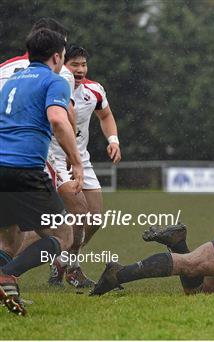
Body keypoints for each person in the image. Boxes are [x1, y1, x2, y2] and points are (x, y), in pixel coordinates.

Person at [0, 28, 83, 316]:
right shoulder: (54, 80)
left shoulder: (12, 81)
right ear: (58, 56)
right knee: (62, 236)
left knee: (9, 240)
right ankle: (7, 276)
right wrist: (77, 160)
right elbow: (58, 120)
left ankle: (5, 281)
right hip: (25, 169)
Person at [43, 45, 121, 288]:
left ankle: (62, 260)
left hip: (81, 159)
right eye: (74, 64)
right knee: (77, 213)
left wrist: (113, 140)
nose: (79, 69)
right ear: (63, 65)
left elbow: (106, 116)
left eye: (83, 64)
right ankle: (70, 267)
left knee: (95, 219)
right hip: (54, 158)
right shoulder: (51, 87)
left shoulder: (94, 91)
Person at [0, 18, 77, 132]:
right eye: (63, 44)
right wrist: (74, 140)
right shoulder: (62, 73)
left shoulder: (3, 67)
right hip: (36, 143)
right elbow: (66, 113)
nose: (65, 51)